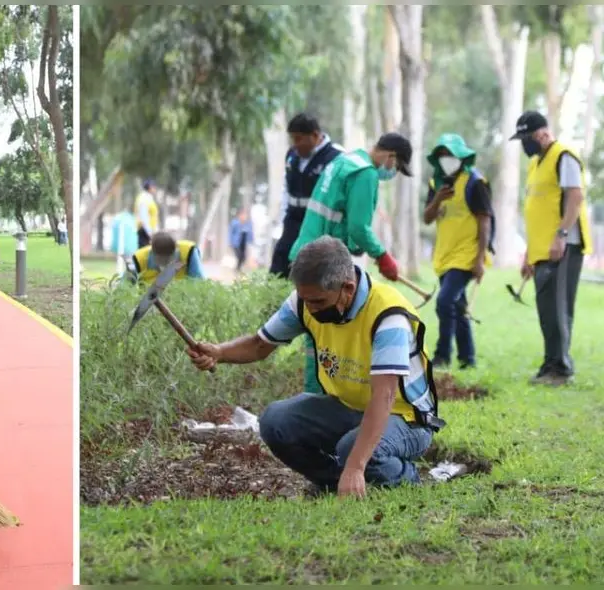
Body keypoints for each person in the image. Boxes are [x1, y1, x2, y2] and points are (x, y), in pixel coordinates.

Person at [187, 236, 442, 497]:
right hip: (350, 408)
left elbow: (384, 396)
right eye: (305, 299)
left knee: (351, 450)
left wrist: (355, 465)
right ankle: (334, 482)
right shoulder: (305, 300)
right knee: (275, 421)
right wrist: (219, 352)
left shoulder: (389, 316)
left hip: (406, 418)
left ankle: (407, 479)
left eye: (318, 302)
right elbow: (259, 345)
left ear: (348, 288)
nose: (309, 308)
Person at [286, 132, 412, 395]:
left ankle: (316, 397)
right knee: (325, 336)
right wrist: (382, 255)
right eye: (397, 166)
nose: (392, 171)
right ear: (391, 156)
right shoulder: (365, 173)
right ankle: (319, 400)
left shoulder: (343, 162)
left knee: (315, 335)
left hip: (307, 254)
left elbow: (342, 220)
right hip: (323, 265)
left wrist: (357, 248)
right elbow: (357, 227)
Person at [510, 110, 595, 386]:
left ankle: (560, 369)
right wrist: (529, 255)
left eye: (527, 137)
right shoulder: (536, 164)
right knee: (546, 309)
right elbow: (537, 211)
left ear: (543, 134)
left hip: (563, 246)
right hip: (543, 250)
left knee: (558, 308)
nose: (525, 144)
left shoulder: (564, 156)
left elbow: (575, 197)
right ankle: (550, 365)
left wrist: (561, 235)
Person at [422, 133, 495, 370]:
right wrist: (437, 200)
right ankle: (468, 358)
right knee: (458, 305)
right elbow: (427, 217)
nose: (446, 160)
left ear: (462, 157)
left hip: (467, 253)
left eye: (450, 155)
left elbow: (485, 220)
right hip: (445, 254)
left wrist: (480, 258)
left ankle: (442, 355)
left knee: (444, 302)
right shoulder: (436, 183)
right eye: (442, 156)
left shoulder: (475, 182)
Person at [269, 113, 344, 279]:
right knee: (280, 260)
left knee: (310, 267)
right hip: (293, 217)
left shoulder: (336, 157)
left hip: (317, 221)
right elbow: (286, 188)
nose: (295, 145)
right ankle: (273, 302)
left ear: (315, 135)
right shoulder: (292, 155)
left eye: (299, 139)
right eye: (292, 139)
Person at [130, 231, 205, 284]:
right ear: (152, 253)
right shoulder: (139, 259)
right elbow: (125, 288)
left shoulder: (189, 252)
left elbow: (199, 284)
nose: (165, 266)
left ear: (176, 250)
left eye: (168, 260)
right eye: (162, 260)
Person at [134, 178, 160, 248]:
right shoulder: (143, 198)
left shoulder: (149, 198)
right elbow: (144, 217)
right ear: (150, 187)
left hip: (150, 231)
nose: (155, 188)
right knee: (144, 254)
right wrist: (150, 233)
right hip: (145, 231)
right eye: (154, 186)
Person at [229, 207, 254, 273]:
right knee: (239, 256)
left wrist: (251, 241)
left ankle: (238, 269)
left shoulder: (248, 224)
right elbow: (230, 233)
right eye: (242, 215)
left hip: (244, 244)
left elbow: (250, 234)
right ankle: (237, 269)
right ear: (239, 215)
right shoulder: (235, 223)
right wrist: (230, 242)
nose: (244, 217)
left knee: (243, 258)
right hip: (236, 243)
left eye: (245, 215)